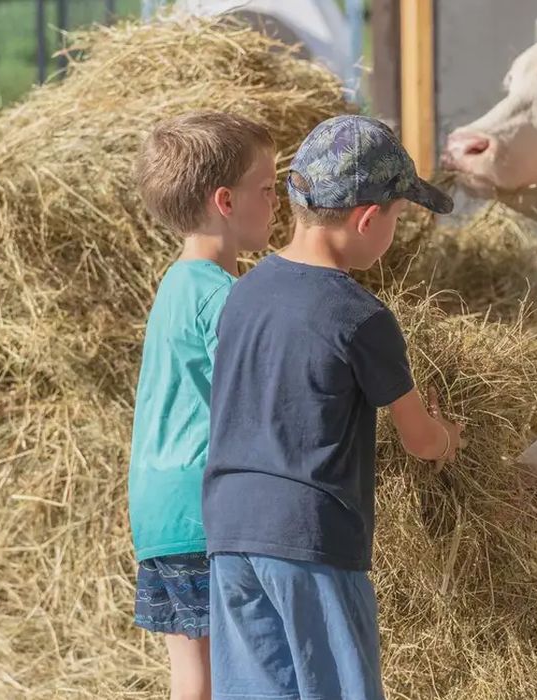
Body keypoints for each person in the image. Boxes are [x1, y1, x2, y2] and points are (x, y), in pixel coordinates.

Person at [203, 115, 464, 699]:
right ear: (368, 218)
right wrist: (454, 436)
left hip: (230, 528)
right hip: (309, 536)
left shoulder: (244, 293)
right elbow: (420, 440)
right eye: (397, 218)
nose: (393, 230)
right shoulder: (361, 316)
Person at [129, 111, 278, 700]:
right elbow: (261, 399)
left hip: (159, 510)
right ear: (225, 200)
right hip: (206, 509)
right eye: (266, 190)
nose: (276, 203)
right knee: (235, 674)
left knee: (192, 678)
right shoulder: (227, 298)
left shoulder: (175, 283)